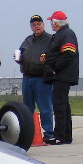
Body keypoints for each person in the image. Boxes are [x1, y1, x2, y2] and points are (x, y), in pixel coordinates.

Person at [14, 15, 55, 143]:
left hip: (41, 78)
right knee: (27, 108)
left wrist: (47, 58)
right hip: (27, 77)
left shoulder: (50, 39)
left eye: (38, 24)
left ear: (43, 25)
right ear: (31, 27)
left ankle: (49, 133)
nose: (36, 27)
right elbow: (22, 54)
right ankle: (28, 133)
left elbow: (55, 55)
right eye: (34, 25)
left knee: (45, 107)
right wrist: (19, 59)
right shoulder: (28, 40)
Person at [42, 11, 79, 144]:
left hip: (62, 76)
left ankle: (59, 136)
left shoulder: (66, 34)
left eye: (51, 21)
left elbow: (69, 54)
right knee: (63, 105)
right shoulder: (62, 34)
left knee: (59, 105)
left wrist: (55, 69)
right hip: (63, 75)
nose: (50, 24)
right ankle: (66, 136)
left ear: (56, 23)